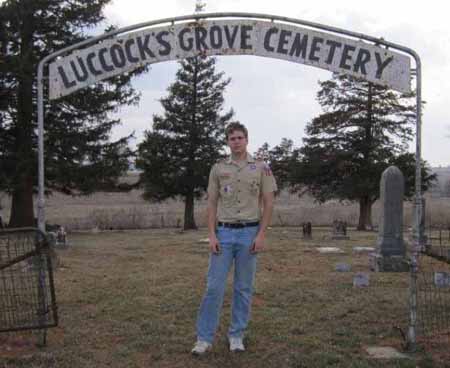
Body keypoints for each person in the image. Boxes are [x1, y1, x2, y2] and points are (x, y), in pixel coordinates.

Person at [192, 122, 277, 355]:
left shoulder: (261, 168)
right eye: (232, 138)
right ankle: (204, 338)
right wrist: (211, 234)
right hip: (224, 233)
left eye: (240, 137)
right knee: (214, 287)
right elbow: (211, 203)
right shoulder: (218, 168)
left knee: (243, 288)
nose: (236, 141)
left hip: (250, 234)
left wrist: (261, 234)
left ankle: (236, 335)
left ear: (247, 140)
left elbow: (269, 202)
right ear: (227, 142)